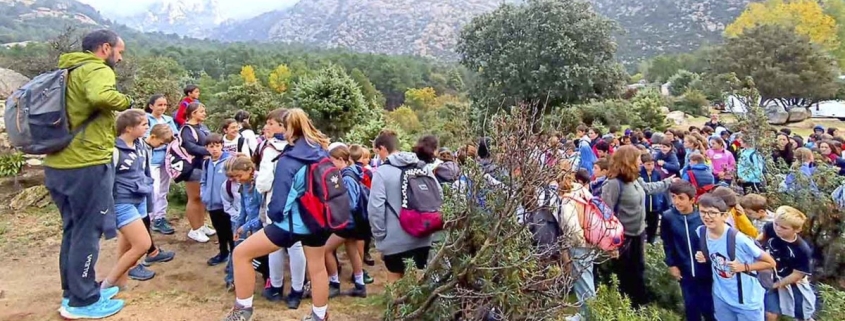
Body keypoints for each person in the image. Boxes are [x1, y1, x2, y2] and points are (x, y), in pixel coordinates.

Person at [46, 29, 131, 319]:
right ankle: (83, 302)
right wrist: (125, 101)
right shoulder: (96, 69)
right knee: (88, 230)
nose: (120, 56)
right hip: (86, 162)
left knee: (73, 229)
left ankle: (76, 290)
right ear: (105, 48)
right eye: (120, 50)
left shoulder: (67, 70)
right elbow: (100, 96)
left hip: (59, 163)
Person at [223, 108, 332, 321]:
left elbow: (279, 203)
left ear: (287, 128)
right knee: (317, 268)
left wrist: (272, 216)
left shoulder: (288, 159)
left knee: (241, 254)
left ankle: (242, 310)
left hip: (292, 223)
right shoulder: (319, 150)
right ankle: (320, 315)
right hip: (319, 220)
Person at [601, 145, 674, 308]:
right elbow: (606, 214)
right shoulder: (613, 184)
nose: (641, 161)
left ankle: (640, 304)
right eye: (638, 158)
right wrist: (611, 244)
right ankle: (626, 307)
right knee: (625, 274)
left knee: (638, 269)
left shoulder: (635, 178)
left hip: (638, 233)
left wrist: (669, 182)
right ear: (629, 160)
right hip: (622, 238)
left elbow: (648, 189)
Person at [369, 129, 440, 283]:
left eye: (377, 152)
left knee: (395, 282)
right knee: (418, 282)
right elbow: (438, 194)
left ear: (383, 148)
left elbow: (375, 208)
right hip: (423, 235)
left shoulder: (382, 173)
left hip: (394, 240)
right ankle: (420, 307)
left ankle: (396, 308)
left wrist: (380, 236)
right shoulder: (422, 166)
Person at [254, 109, 307, 308]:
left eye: (271, 123)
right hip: (300, 205)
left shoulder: (270, 149)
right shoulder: (303, 147)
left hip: (275, 203)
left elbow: (264, 183)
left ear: (282, 126)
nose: (267, 127)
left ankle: (276, 287)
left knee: (273, 245)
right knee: (296, 246)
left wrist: (260, 182)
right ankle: (296, 291)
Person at [695, 194, 776, 321]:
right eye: (703, 212)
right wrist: (705, 256)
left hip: (747, 301)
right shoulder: (702, 232)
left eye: (712, 213)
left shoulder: (738, 239)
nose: (707, 216)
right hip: (721, 297)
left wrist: (743, 267)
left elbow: (770, 262)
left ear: (724, 215)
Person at [102, 109, 157, 290]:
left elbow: (144, 171)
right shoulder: (114, 150)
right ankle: (106, 285)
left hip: (139, 197)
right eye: (143, 125)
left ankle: (120, 282)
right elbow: (106, 181)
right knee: (143, 244)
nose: (147, 128)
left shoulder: (141, 145)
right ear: (128, 128)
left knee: (127, 244)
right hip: (122, 201)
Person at [661, 181, 715, 321]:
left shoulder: (703, 218)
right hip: (685, 272)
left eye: (681, 198)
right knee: (691, 307)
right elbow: (668, 243)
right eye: (673, 197)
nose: (676, 201)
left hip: (706, 271)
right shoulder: (668, 217)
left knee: (709, 308)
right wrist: (672, 264)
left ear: (692, 199)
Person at [323, 144, 368, 298]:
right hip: (355, 221)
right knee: (352, 250)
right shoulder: (353, 172)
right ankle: (360, 284)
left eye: (331, 161)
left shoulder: (346, 177)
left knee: (326, 249)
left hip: (347, 221)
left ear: (341, 159)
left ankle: (334, 283)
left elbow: (350, 202)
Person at [760, 206, 816, 321]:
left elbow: (797, 274)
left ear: (796, 229)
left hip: (790, 281)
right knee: (770, 314)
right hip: (769, 273)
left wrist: (777, 285)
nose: (778, 229)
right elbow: (760, 240)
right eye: (776, 224)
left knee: (802, 313)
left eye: (784, 228)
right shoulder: (770, 228)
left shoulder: (801, 249)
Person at [139, 124, 177, 267]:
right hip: (139, 190)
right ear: (153, 136)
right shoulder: (141, 148)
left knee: (146, 220)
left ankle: (151, 251)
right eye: (161, 143)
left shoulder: (148, 148)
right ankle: (147, 254)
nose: (160, 146)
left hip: (144, 188)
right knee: (142, 222)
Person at [181, 102, 217, 243]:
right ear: (193, 113)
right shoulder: (186, 129)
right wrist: (208, 151)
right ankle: (194, 229)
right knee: (194, 197)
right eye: (201, 111)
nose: (204, 113)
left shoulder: (202, 127)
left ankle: (201, 225)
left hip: (203, 166)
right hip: (192, 167)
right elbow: (190, 147)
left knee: (202, 197)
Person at [144, 94, 178, 235]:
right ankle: (149, 218)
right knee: (154, 190)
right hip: (152, 160)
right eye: (160, 105)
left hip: (167, 159)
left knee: (163, 190)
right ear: (151, 106)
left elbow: (174, 137)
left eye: (165, 105)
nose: (163, 108)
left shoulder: (168, 120)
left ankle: (160, 217)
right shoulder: (145, 119)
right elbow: (147, 139)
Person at [201, 134, 235, 266]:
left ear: (222, 146)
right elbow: (203, 180)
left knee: (230, 231)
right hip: (212, 204)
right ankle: (223, 252)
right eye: (211, 146)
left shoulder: (229, 161)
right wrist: (204, 194)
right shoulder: (206, 163)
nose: (214, 149)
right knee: (219, 231)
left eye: (217, 146)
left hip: (226, 204)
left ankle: (233, 256)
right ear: (206, 148)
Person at [640, 154, 669, 244]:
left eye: (652, 164)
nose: (651, 166)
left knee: (653, 226)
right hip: (644, 206)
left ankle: (651, 243)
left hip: (655, 206)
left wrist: (660, 201)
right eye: (648, 164)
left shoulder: (657, 173)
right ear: (643, 164)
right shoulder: (639, 175)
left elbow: (660, 187)